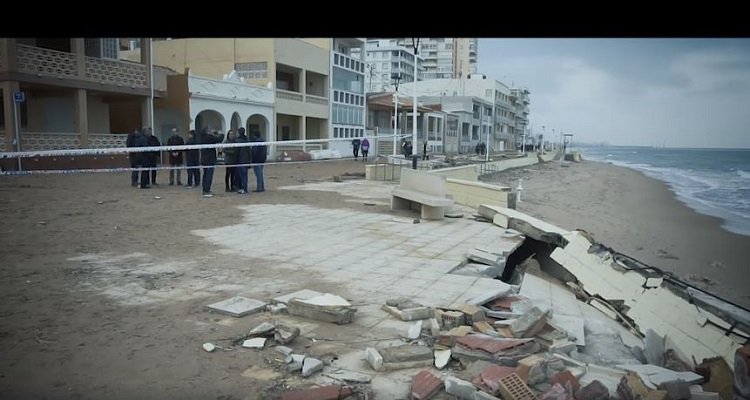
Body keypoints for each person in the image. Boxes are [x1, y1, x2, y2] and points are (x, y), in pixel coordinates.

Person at [199, 128, 225, 197]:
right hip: (209, 159)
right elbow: (219, 139)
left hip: (204, 158)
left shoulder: (202, 137)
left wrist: (214, 134)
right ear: (207, 132)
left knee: (205, 175)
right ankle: (207, 190)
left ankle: (205, 190)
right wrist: (221, 133)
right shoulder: (209, 137)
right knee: (209, 175)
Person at [235, 128, 251, 194]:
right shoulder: (247, 140)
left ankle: (243, 189)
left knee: (241, 175)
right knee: (244, 175)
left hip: (240, 160)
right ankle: (244, 188)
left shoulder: (238, 141)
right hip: (246, 160)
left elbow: (236, 151)